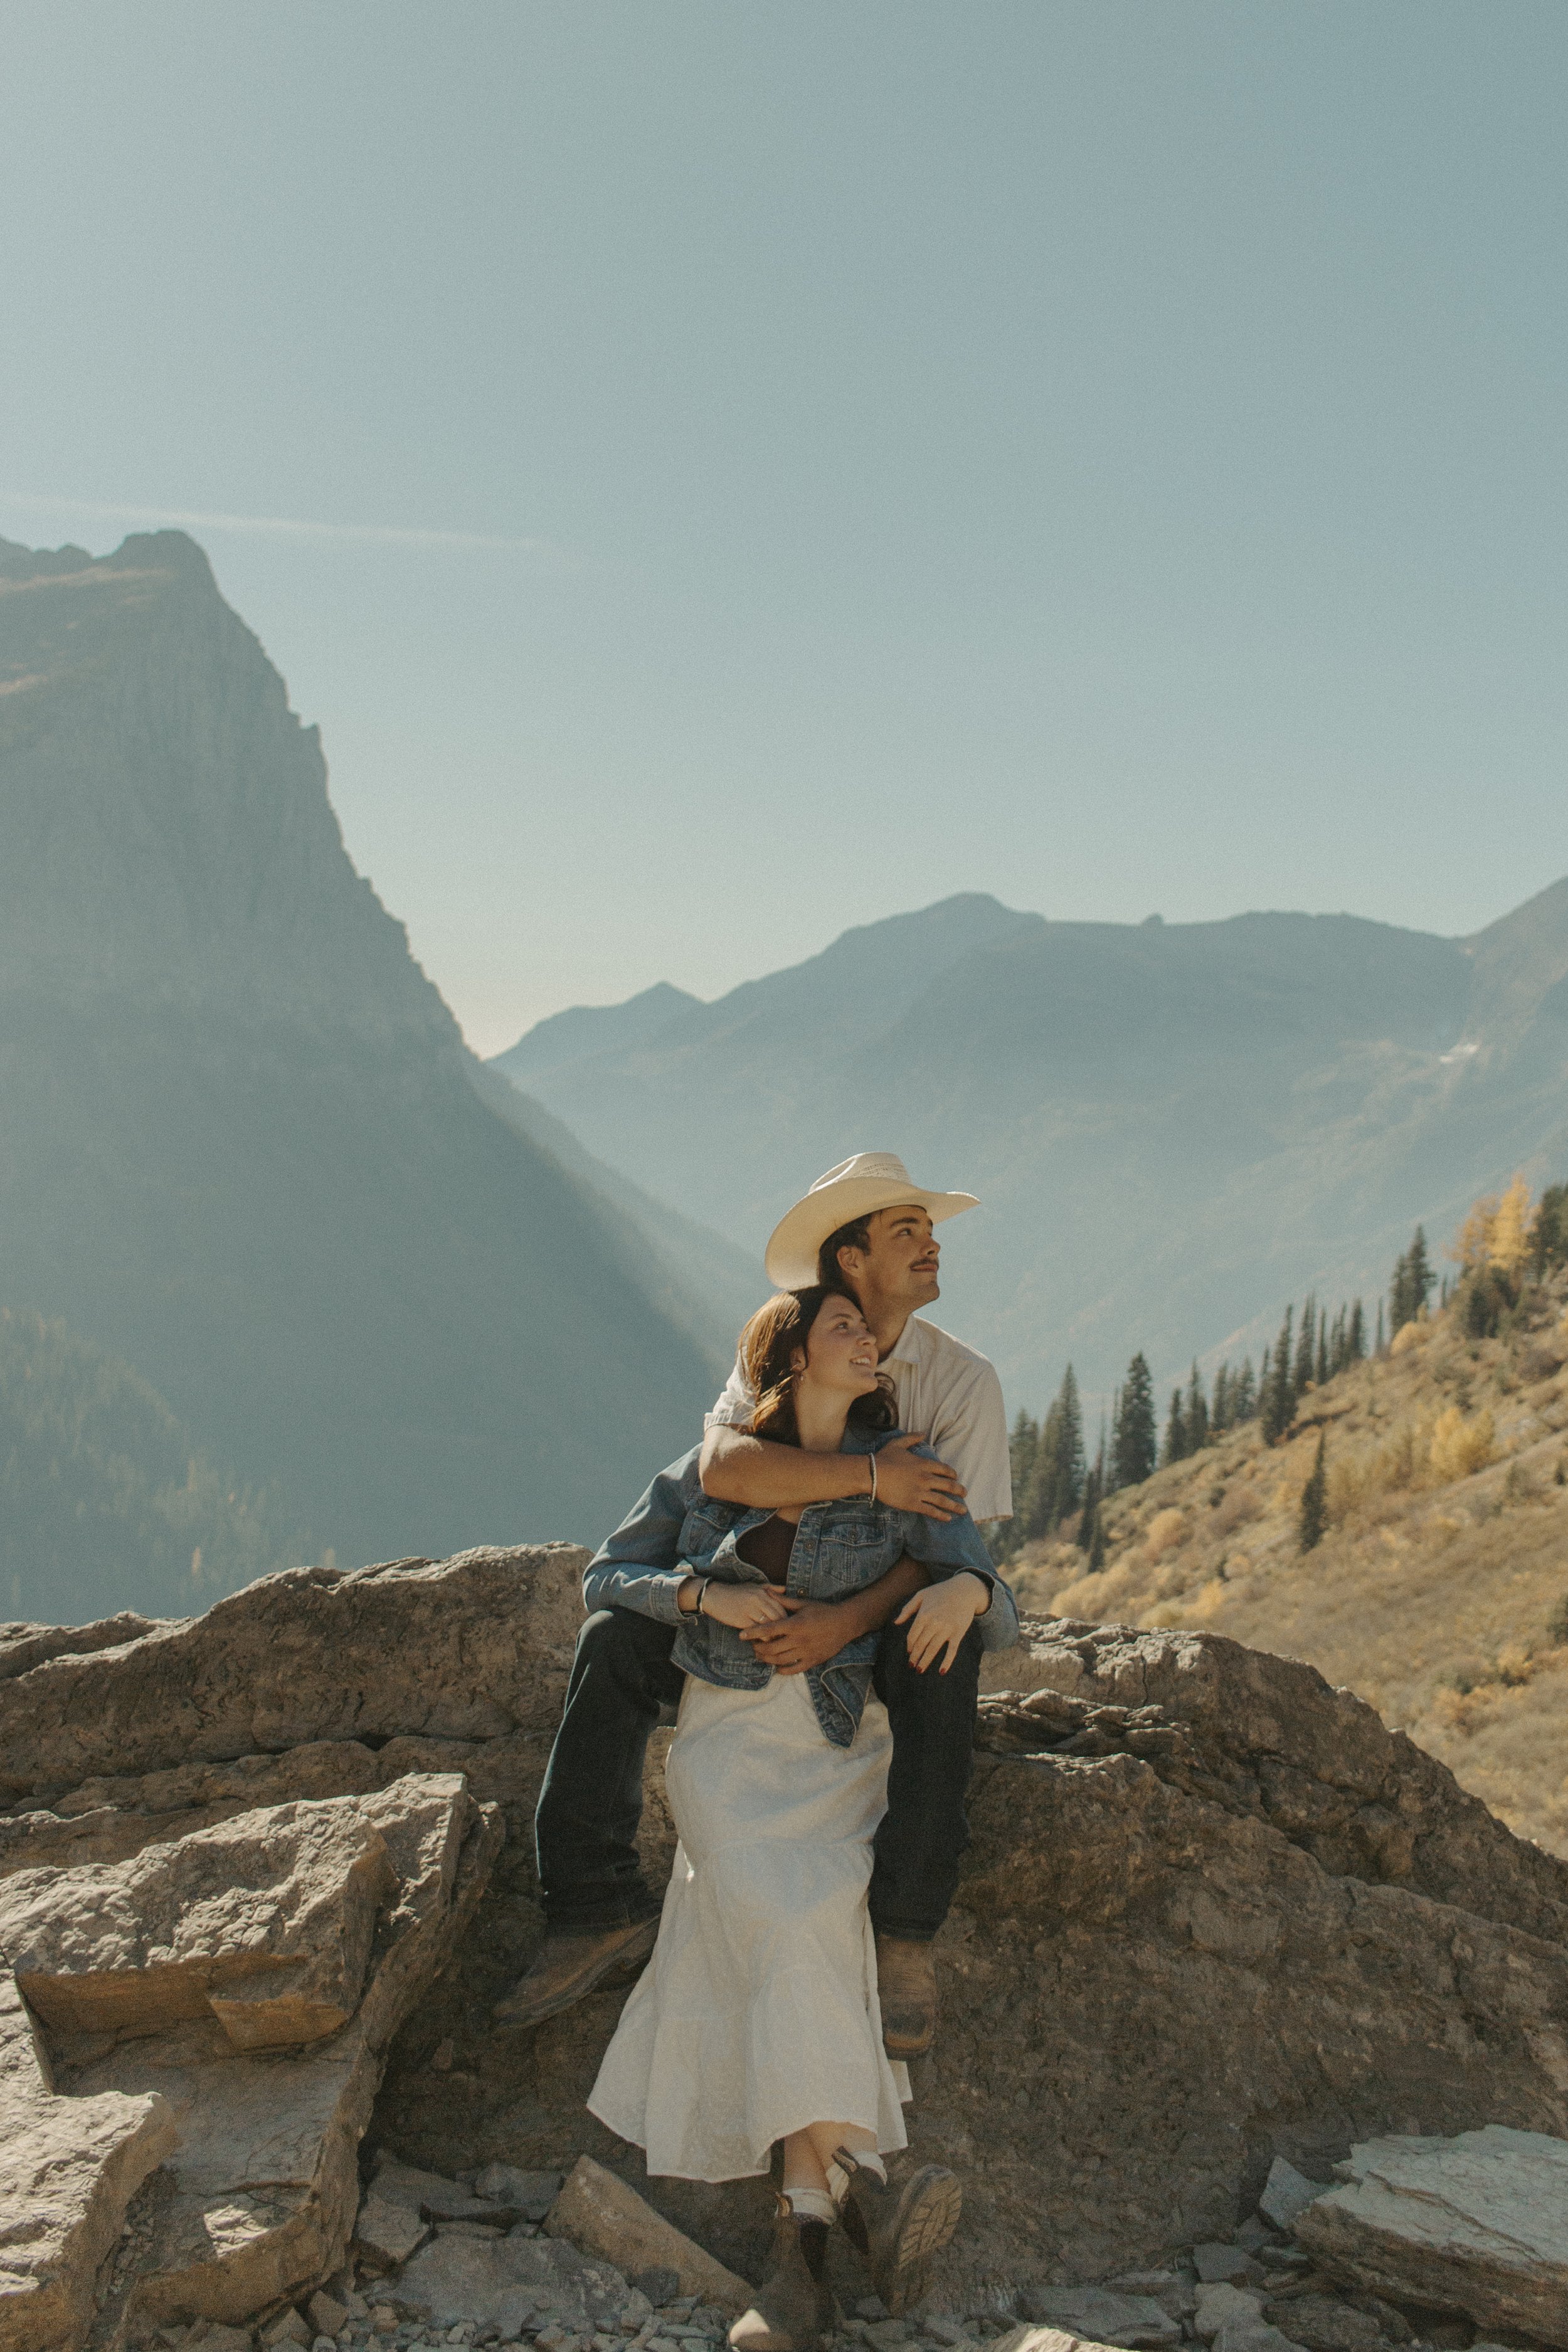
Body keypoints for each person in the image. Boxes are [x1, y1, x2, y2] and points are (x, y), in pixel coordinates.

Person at [584, 1283, 1020, 2350]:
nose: (867, 1337)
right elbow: (607, 1573)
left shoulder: (907, 1467)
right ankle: (853, 2197)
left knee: (822, 1913)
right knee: (774, 1909)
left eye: (864, 1329)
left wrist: (967, 1595)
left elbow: (995, 1594)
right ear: (788, 1359)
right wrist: (704, 1596)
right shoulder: (719, 1468)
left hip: (837, 1742)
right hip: (729, 1743)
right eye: (841, 1328)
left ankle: (802, 2244)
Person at [496, 1152, 1012, 2050]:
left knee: (943, 1651)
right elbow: (729, 1464)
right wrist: (865, 1482)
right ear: (850, 1259)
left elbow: (950, 1544)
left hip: (876, 1616)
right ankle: (590, 1906)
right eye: (908, 1231)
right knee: (614, 1640)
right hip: (743, 1619)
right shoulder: (789, 1339)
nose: (934, 1245)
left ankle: (904, 1932)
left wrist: (854, 1617)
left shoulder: (962, 1383)